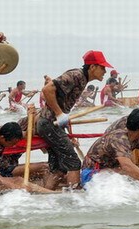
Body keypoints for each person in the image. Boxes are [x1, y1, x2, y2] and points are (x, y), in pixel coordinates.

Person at [37, 50, 113, 188]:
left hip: (52, 124)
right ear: (92, 67)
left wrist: (62, 117)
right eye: (102, 68)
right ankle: (75, 199)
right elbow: (47, 90)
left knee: (59, 167)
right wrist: (59, 114)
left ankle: (46, 193)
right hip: (49, 123)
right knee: (73, 162)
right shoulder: (76, 75)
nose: (105, 71)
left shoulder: (83, 79)